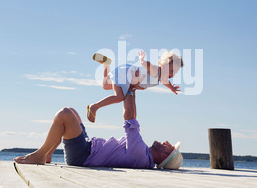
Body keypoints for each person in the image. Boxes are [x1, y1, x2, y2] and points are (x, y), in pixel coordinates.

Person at [14, 89, 183, 170]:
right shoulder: (143, 155)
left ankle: (41, 154)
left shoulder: (140, 153)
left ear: (163, 157)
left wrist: (129, 86)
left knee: (64, 114)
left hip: (83, 155)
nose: (167, 142)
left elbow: (130, 116)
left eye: (170, 147)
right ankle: (50, 153)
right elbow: (133, 115)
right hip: (89, 147)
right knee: (73, 111)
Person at [87, 50, 183, 123]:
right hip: (126, 75)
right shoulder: (155, 70)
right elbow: (148, 65)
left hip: (128, 78)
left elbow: (166, 83)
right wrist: (142, 60)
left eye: (175, 72)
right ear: (163, 65)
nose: (172, 74)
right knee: (119, 97)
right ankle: (94, 107)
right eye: (172, 70)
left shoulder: (162, 77)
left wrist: (172, 88)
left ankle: (106, 64)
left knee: (105, 85)